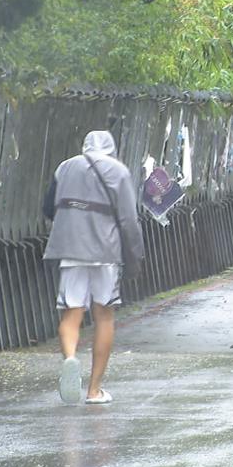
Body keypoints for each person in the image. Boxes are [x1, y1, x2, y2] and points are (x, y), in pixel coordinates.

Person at [42, 130, 144, 404]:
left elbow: (48, 208)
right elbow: (128, 220)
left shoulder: (65, 167)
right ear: (111, 149)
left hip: (71, 248)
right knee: (104, 316)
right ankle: (94, 390)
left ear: (85, 146)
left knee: (71, 314)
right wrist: (134, 256)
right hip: (105, 252)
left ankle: (71, 358)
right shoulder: (119, 172)